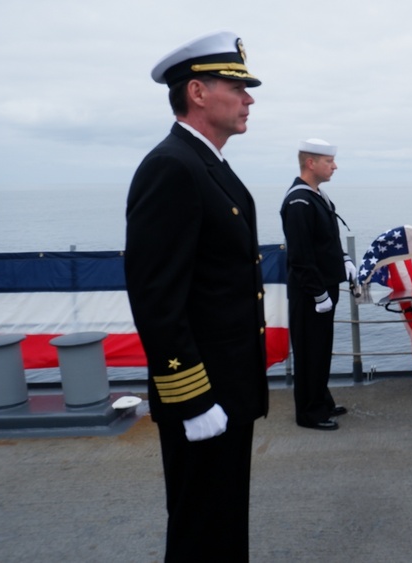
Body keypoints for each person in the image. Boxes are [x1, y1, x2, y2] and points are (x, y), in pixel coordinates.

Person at [124, 31, 269, 560]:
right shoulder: (172, 166)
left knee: (223, 522)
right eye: (238, 85)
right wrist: (191, 398)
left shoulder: (208, 165)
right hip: (203, 392)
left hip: (229, 387)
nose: (249, 98)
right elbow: (155, 295)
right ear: (198, 93)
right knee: (201, 528)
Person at [280, 138, 355, 431]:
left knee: (321, 349)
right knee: (310, 351)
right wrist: (318, 293)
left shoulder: (317, 196)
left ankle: (321, 400)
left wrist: (344, 259)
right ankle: (309, 413)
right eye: (329, 161)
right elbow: (301, 255)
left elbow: (326, 241)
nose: (334, 166)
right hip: (311, 292)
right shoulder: (299, 201)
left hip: (324, 287)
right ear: (311, 163)